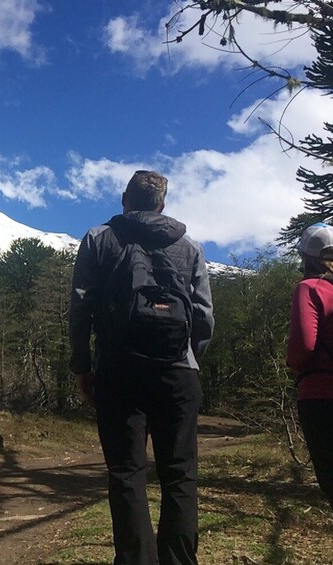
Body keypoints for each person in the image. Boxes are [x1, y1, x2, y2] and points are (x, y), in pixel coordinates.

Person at [69, 171, 214, 565]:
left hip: (119, 371)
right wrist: (187, 357)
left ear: (124, 199)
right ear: (162, 205)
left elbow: (81, 307)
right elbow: (203, 318)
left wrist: (83, 366)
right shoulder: (190, 247)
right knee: (180, 473)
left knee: (127, 473)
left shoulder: (99, 239)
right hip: (178, 373)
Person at [287, 222, 333, 565]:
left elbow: (302, 347)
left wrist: (294, 364)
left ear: (305, 255)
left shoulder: (309, 288)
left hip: (323, 399)